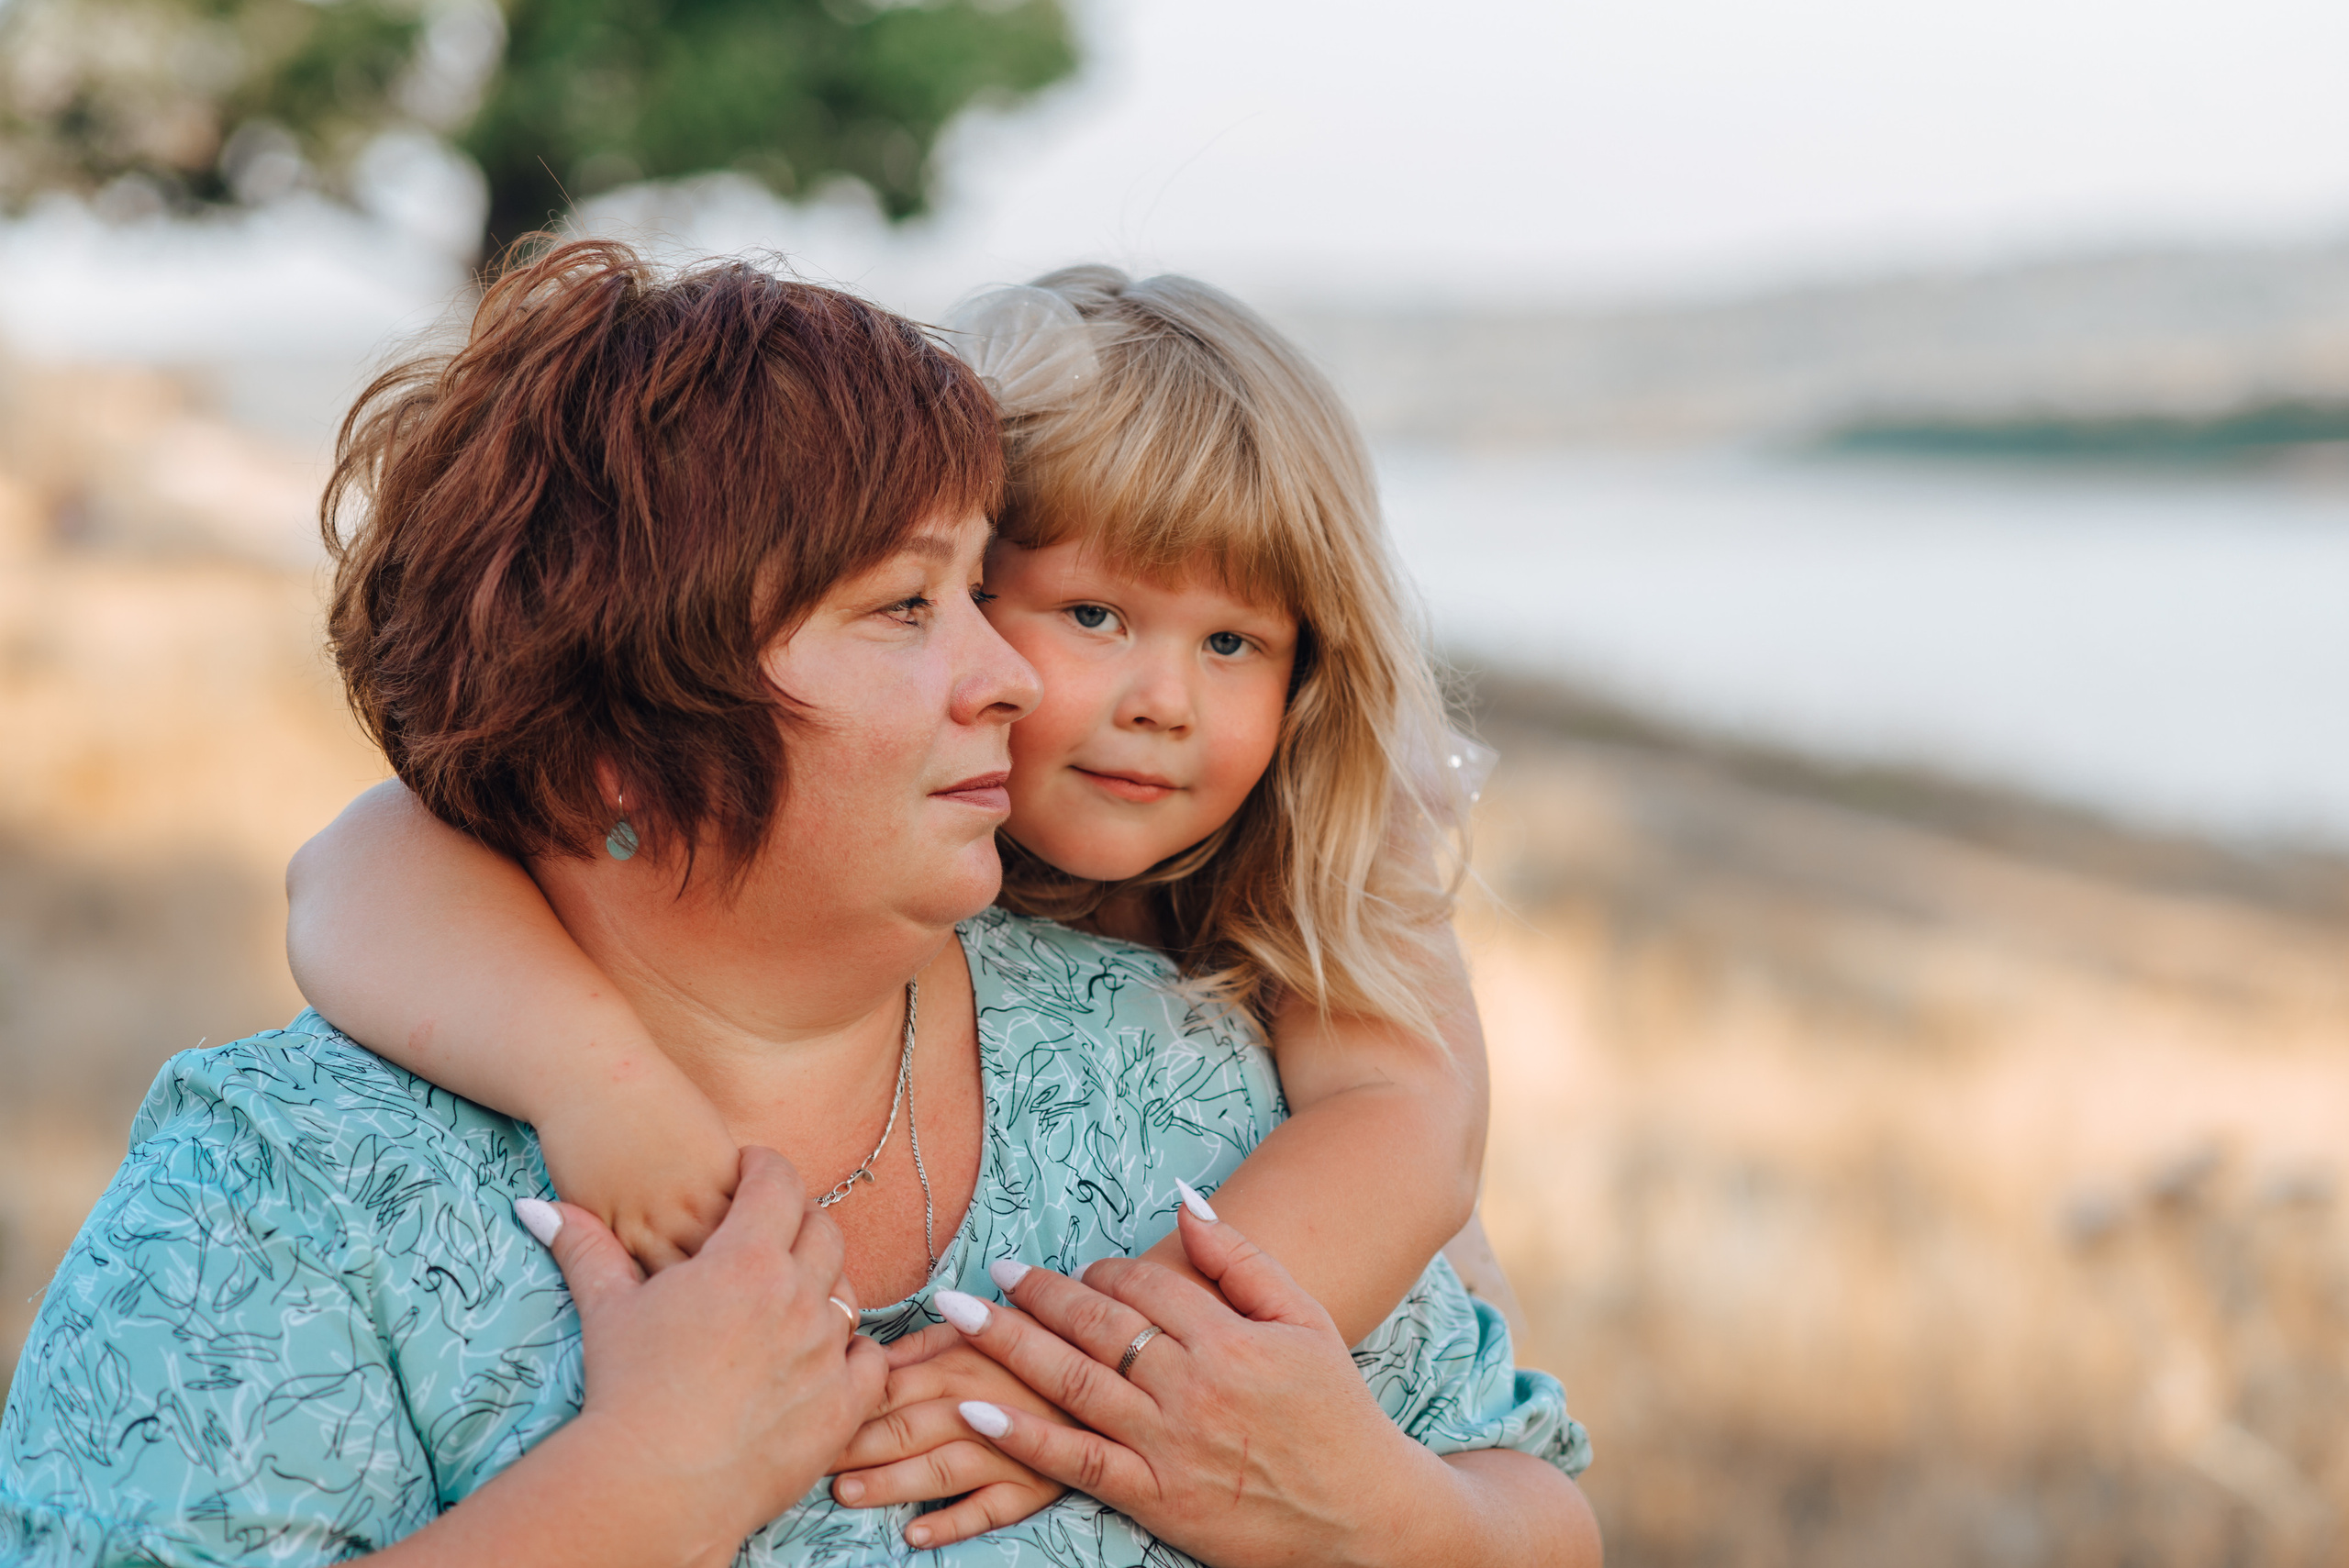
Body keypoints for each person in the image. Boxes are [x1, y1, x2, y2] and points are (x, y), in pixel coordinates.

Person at [0, 241, 1597, 1567]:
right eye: (915, 603)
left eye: (1234, 641)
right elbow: (367, 858)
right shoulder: (293, 1192)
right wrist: (641, 1486)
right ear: (617, 731)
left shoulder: (1205, 1059)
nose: (1014, 674)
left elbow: (1510, 1436)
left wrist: (1338, 1501)